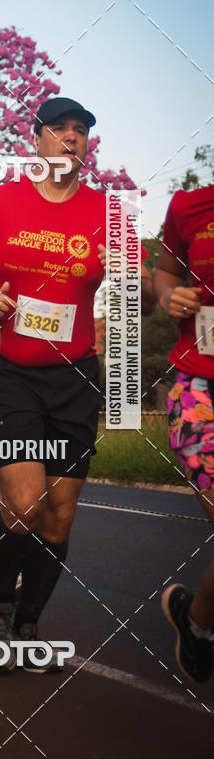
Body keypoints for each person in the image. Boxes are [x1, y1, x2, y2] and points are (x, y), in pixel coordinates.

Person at [0, 97, 106, 673]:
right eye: (60, 129)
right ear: (37, 139)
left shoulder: (106, 213)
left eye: (81, 132)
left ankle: (28, 621)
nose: (71, 138)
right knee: (24, 502)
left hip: (75, 377)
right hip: (10, 373)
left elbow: (132, 282)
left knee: (59, 516)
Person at [154, 184, 214, 683]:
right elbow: (166, 273)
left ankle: (198, 622)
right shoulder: (189, 207)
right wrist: (171, 294)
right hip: (201, 385)